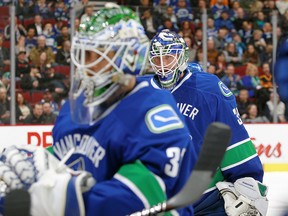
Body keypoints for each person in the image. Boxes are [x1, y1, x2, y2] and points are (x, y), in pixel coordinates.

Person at [0, 5, 197, 216]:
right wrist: (38, 163)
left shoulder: (154, 110)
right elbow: (70, 155)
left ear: (129, 56)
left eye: (95, 55)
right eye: (83, 55)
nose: (85, 65)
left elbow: (146, 192)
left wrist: (66, 199)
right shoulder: (75, 107)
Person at [144, 29, 268, 215]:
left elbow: (232, 140)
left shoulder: (208, 89)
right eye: (157, 59)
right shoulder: (140, 92)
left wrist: (247, 183)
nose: (163, 65)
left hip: (206, 200)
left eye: (168, 57)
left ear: (181, 56)